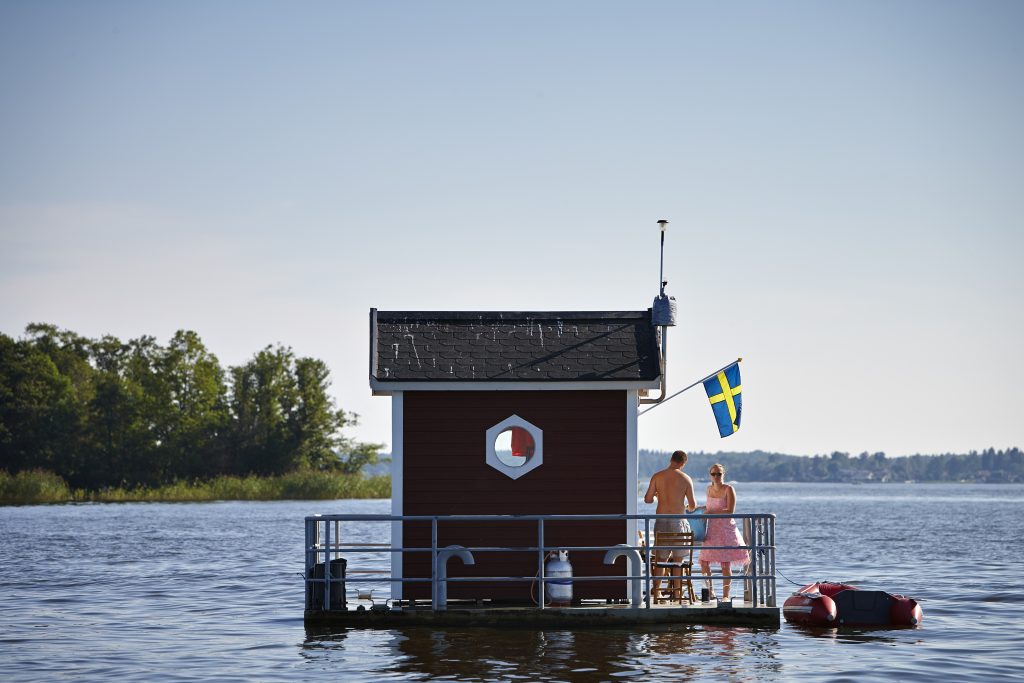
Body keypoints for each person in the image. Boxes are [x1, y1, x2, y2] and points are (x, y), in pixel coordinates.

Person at [643, 450, 696, 601]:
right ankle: (678, 594)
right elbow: (692, 506)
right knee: (678, 560)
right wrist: (685, 505)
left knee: (660, 560)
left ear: (671, 459)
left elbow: (647, 500)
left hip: (661, 521)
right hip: (678, 521)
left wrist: (657, 497)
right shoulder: (686, 479)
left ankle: (657, 592)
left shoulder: (657, 476)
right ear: (683, 463)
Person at [698, 463, 749, 601]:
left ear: (723, 474)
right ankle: (710, 591)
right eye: (713, 474)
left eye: (719, 473)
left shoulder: (729, 489)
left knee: (725, 564)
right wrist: (698, 509)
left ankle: (726, 596)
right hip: (712, 529)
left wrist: (710, 511)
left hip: (725, 529)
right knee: (704, 561)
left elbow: (730, 511)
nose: (716, 476)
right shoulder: (708, 489)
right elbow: (709, 507)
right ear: (710, 475)